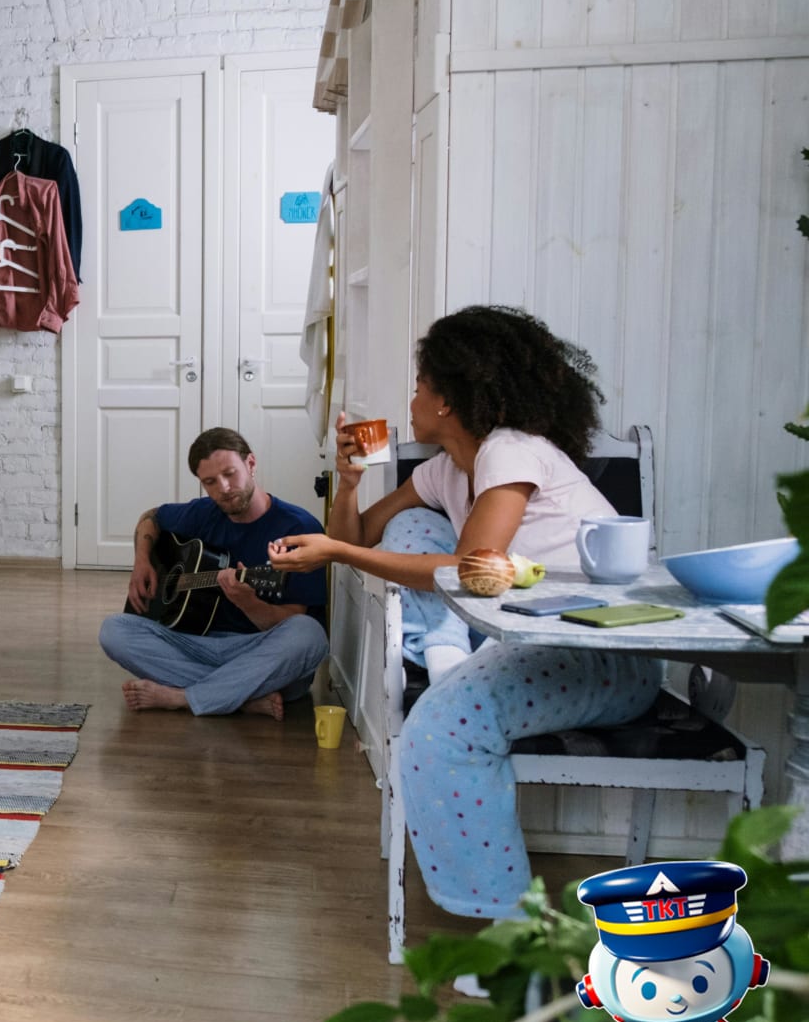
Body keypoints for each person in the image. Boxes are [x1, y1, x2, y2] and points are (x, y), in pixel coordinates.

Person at [266, 305, 661, 919]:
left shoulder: (511, 451)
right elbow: (364, 536)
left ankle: (507, 928)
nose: (413, 397)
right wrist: (346, 486)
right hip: (513, 642)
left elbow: (471, 566)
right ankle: (448, 655)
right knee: (413, 524)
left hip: (597, 653)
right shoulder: (447, 469)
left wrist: (338, 550)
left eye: (421, 385)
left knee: (439, 722)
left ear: (448, 400)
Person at [97, 428, 329, 718]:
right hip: (198, 645)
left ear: (251, 464)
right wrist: (141, 560)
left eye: (230, 474)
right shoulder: (203, 512)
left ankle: (184, 697)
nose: (224, 488)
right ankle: (239, 697)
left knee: (310, 636)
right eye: (210, 482)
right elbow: (151, 517)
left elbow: (294, 620)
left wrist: (249, 603)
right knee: (114, 631)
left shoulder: (299, 528)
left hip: (258, 649)